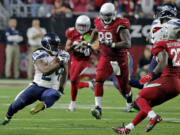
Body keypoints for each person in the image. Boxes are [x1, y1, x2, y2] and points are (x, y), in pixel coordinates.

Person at [112, 22, 180, 134]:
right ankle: (128, 128)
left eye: (153, 33)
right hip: (177, 85)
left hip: (168, 81)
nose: (150, 36)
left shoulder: (161, 44)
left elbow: (163, 61)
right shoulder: (177, 44)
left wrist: (150, 74)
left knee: (139, 98)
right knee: (147, 106)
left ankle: (154, 117)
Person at [1, 33, 69, 126]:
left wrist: (61, 87)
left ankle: (41, 106)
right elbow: (45, 70)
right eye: (53, 45)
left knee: (56, 94)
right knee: (17, 104)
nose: (55, 47)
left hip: (51, 88)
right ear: (46, 44)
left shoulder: (63, 54)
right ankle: (7, 117)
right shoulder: (39, 54)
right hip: (36, 86)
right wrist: (59, 64)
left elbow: (65, 72)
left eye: (56, 45)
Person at [88, 2, 133, 119]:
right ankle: (98, 108)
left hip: (120, 58)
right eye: (104, 15)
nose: (106, 18)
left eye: (108, 15)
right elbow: (95, 31)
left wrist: (112, 44)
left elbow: (127, 43)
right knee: (98, 80)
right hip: (106, 58)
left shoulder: (120, 24)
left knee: (123, 87)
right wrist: (89, 44)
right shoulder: (98, 22)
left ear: (113, 14)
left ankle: (129, 99)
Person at [65, 15, 95, 111]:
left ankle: (72, 104)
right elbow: (66, 48)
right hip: (74, 58)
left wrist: (89, 48)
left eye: (84, 26)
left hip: (85, 59)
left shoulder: (92, 34)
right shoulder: (72, 32)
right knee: (73, 81)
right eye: (80, 26)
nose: (81, 28)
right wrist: (74, 46)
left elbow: (97, 49)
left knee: (73, 79)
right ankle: (90, 85)